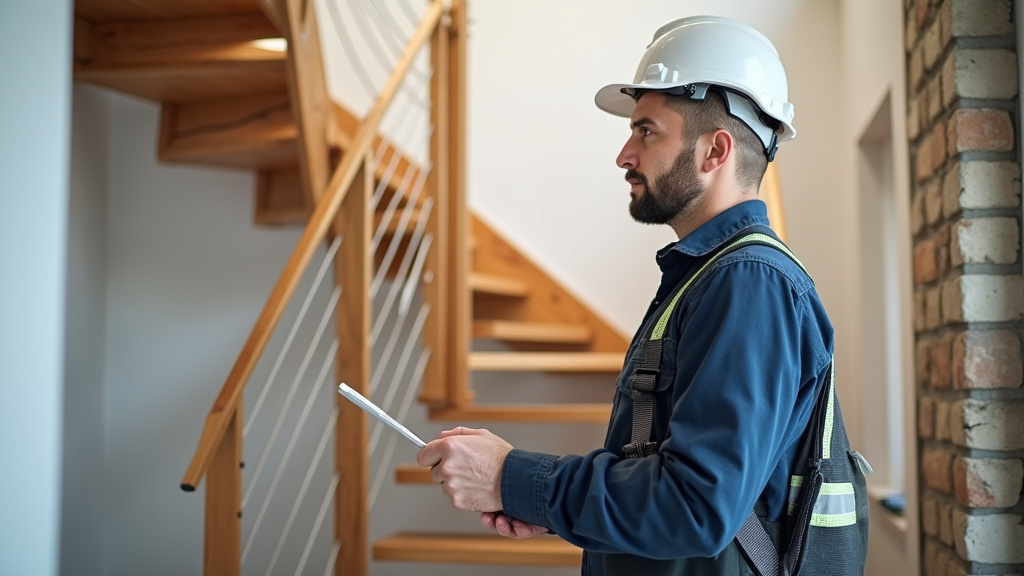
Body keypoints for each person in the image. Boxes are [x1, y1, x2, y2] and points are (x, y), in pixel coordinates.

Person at [418, 15, 868, 576]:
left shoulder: (749, 282)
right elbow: (671, 483)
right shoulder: (708, 278)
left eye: (646, 131)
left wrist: (510, 476)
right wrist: (558, 509)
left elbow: (693, 507)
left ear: (714, 151)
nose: (624, 155)